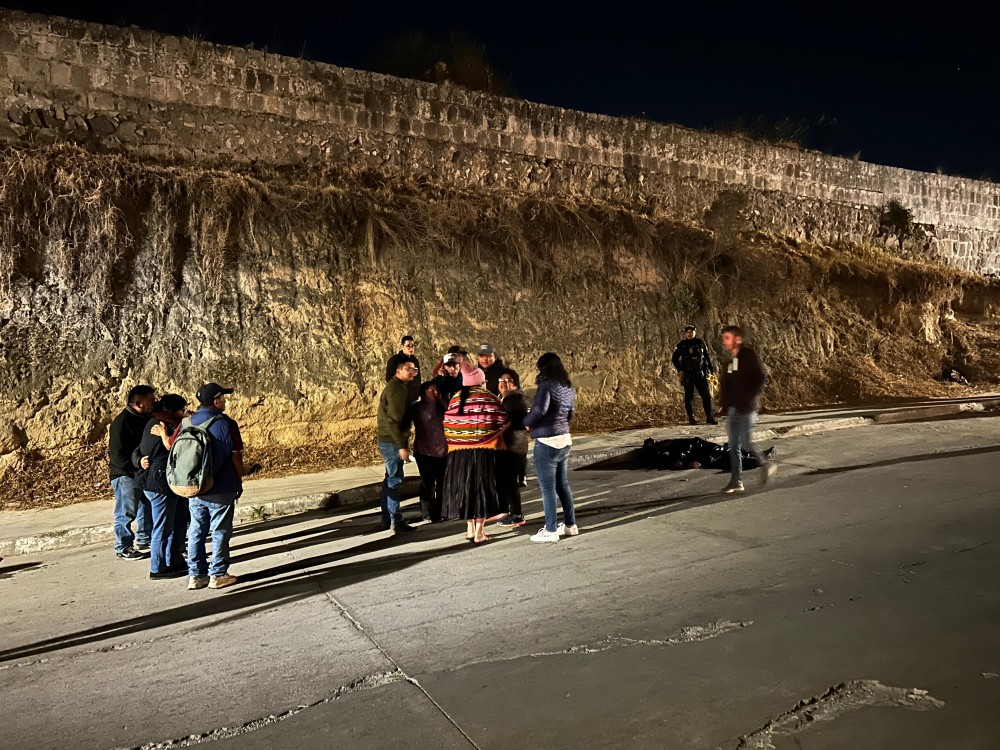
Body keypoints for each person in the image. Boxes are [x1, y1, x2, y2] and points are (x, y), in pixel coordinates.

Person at [442, 364, 510, 544]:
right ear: (481, 382)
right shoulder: (489, 398)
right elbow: (502, 421)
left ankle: (470, 528)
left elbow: (448, 423)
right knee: (482, 490)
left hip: (459, 453)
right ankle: (480, 532)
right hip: (484, 453)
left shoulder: (455, 398)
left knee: (466, 490)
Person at [187, 383, 245, 590]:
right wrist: (239, 481)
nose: (226, 401)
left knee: (196, 530)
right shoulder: (226, 423)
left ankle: (196, 575)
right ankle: (218, 574)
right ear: (216, 400)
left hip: (194, 487)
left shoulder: (187, 421)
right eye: (223, 397)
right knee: (220, 531)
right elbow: (236, 455)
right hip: (221, 486)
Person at [523, 353, 579, 543]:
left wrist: (526, 422)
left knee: (548, 488)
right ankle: (571, 525)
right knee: (563, 485)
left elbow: (540, 410)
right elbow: (570, 413)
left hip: (547, 441)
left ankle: (551, 529)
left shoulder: (546, 386)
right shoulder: (567, 387)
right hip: (564, 438)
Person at [135, 394, 190, 580]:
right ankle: (158, 567)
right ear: (174, 411)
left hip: (153, 481)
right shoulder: (167, 426)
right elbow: (175, 448)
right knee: (163, 527)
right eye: (182, 410)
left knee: (170, 525)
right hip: (160, 483)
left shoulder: (154, 422)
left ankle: (173, 561)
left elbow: (140, 449)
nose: (184, 413)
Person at [718, 326, 775, 493]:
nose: (724, 341)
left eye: (727, 337)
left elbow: (760, 378)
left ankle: (765, 464)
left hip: (746, 408)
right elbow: (726, 384)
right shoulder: (730, 360)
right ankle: (736, 481)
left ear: (738, 339)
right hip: (733, 409)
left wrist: (748, 397)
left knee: (747, 443)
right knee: (733, 445)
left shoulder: (749, 356)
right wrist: (724, 403)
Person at [109, 385, 156, 560]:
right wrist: (134, 467)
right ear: (138, 403)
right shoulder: (122, 423)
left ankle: (144, 537)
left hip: (140, 472)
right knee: (126, 511)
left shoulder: (144, 418)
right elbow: (117, 455)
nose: (154, 403)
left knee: (146, 505)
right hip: (125, 474)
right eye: (150, 400)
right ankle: (123, 546)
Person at [376, 360, 420, 533]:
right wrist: (401, 445)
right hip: (391, 441)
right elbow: (394, 421)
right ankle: (396, 521)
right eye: (408, 369)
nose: (413, 372)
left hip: (388, 439)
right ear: (398, 371)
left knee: (390, 478)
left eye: (414, 369)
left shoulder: (399, 387)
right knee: (394, 480)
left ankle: (387, 518)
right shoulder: (396, 390)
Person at [496, 368, 528, 527]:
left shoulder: (514, 399)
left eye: (508, 380)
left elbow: (504, 422)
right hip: (515, 445)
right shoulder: (508, 399)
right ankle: (512, 512)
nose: (503, 383)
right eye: (501, 380)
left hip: (513, 447)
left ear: (515, 384)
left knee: (509, 482)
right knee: (508, 481)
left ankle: (516, 514)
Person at [412, 381, 448, 523]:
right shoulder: (418, 408)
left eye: (436, 390)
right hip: (425, 451)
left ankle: (440, 511)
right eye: (431, 391)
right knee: (428, 483)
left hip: (443, 451)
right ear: (423, 393)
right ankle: (427, 513)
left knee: (442, 483)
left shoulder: (443, 405)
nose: (435, 393)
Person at [671, 324, 718, 426]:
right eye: (688, 332)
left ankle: (709, 417)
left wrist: (711, 370)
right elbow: (674, 359)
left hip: (701, 373)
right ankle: (691, 418)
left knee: (706, 396)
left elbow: (707, 356)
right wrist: (680, 370)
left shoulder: (700, 343)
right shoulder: (682, 345)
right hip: (688, 374)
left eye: (691, 332)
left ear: (695, 333)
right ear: (685, 333)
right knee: (689, 397)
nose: (690, 334)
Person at [385, 336, 421, 402]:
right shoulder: (395, 360)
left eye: (413, 346)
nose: (411, 348)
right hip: (401, 397)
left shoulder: (415, 360)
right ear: (402, 346)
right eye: (408, 346)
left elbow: (418, 378)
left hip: (414, 397)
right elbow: (389, 378)